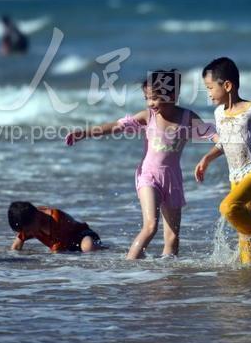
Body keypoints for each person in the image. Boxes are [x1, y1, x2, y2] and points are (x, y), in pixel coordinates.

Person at [65, 69, 212, 259]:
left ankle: (167, 277)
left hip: (172, 179)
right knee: (150, 225)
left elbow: (213, 135)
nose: (150, 103)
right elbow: (115, 127)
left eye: (155, 98)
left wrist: (220, 147)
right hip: (148, 175)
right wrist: (84, 133)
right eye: (147, 98)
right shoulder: (148, 116)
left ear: (173, 95)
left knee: (173, 236)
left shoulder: (187, 118)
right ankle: (129, 267)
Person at [195, 57, 251, 263]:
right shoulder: (218, 113)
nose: (208, 93)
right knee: (243, 232)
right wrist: (206, 159)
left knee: (227, 207)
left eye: (209, 88)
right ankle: (249, 274)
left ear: (227, 85)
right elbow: (224, 143)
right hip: (235, 176)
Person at [8, 201, 101, 253]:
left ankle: (104, 249)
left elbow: (57, 253)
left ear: (36, 217)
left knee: (87, 247)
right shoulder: (30, 223)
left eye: (27, 230)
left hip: (81, 235)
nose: (27, 233)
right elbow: (16, 245)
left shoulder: (56, 220)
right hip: (67, 246)